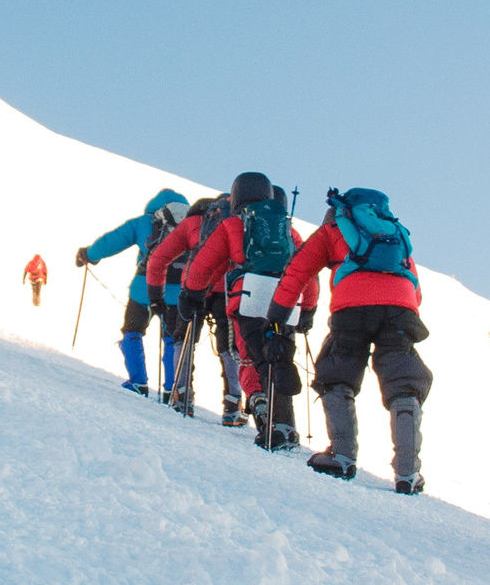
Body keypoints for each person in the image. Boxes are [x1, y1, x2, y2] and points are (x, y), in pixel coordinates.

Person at [270, 187, 431, 493]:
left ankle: (342, 456)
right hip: (400, 308)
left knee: (338, 373)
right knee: (403, 380)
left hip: (352, 307)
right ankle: (408, 473)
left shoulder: (332, 230)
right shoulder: (393, 232)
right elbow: (415, 286)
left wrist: (277, 315)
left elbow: (297, 272)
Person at [179, 173, 319, 450]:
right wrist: (308, 310)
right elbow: (307, 269)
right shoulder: (288, 229)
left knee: (258, 358)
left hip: (250, 296)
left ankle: (270, 421)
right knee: (280, 356)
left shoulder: (234, 224)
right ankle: (286, 426)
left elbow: (205, 263)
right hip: (285, 298)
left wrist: (193, 294)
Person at [77, 190, 189, 395]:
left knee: (133, 329)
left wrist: (89, 254)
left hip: (143, 289)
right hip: (177, 292)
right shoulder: (191, 225)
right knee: (173, 337)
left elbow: (114, 240)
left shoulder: (143, 222)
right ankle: (174, 389)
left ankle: (138, 381)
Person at [144, 195, 241, 422]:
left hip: (194, 286)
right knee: (228, 345)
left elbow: (158, 259)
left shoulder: (191, 223)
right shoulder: (237, 222)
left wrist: (156, 297)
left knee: (184, 338)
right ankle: (233, 403)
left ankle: (182, 394)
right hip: (227, 288)